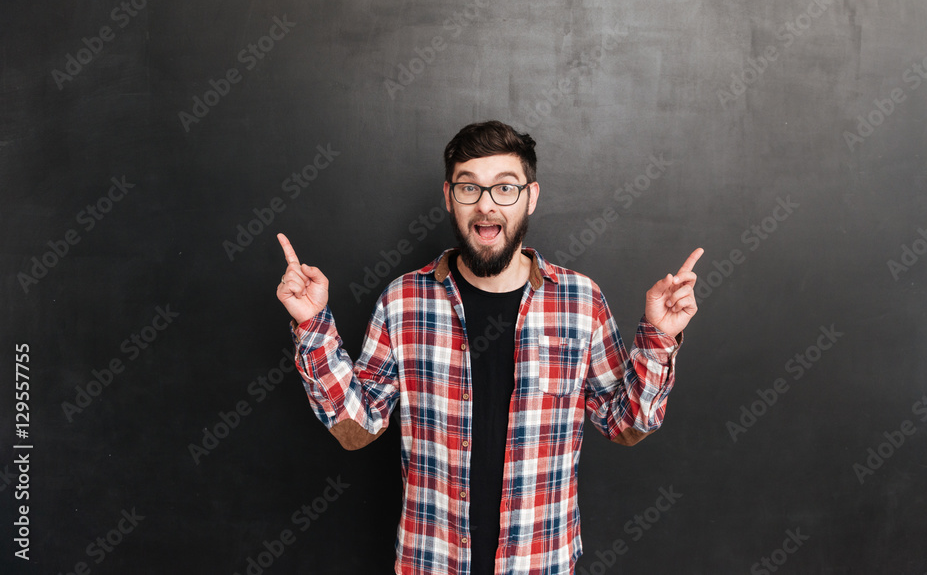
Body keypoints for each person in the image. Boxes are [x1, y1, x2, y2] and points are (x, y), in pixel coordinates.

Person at [276, 120, 702, 575]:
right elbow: (357, 426)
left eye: (504, 188)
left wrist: (658, 337)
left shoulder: (581, 301)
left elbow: (627, 424)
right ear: (448, 196)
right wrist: (312, 324)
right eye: (468, 188)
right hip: (430, 561)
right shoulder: (403, 300)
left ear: (531, 197)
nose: (485, 206)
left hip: (542, 563)